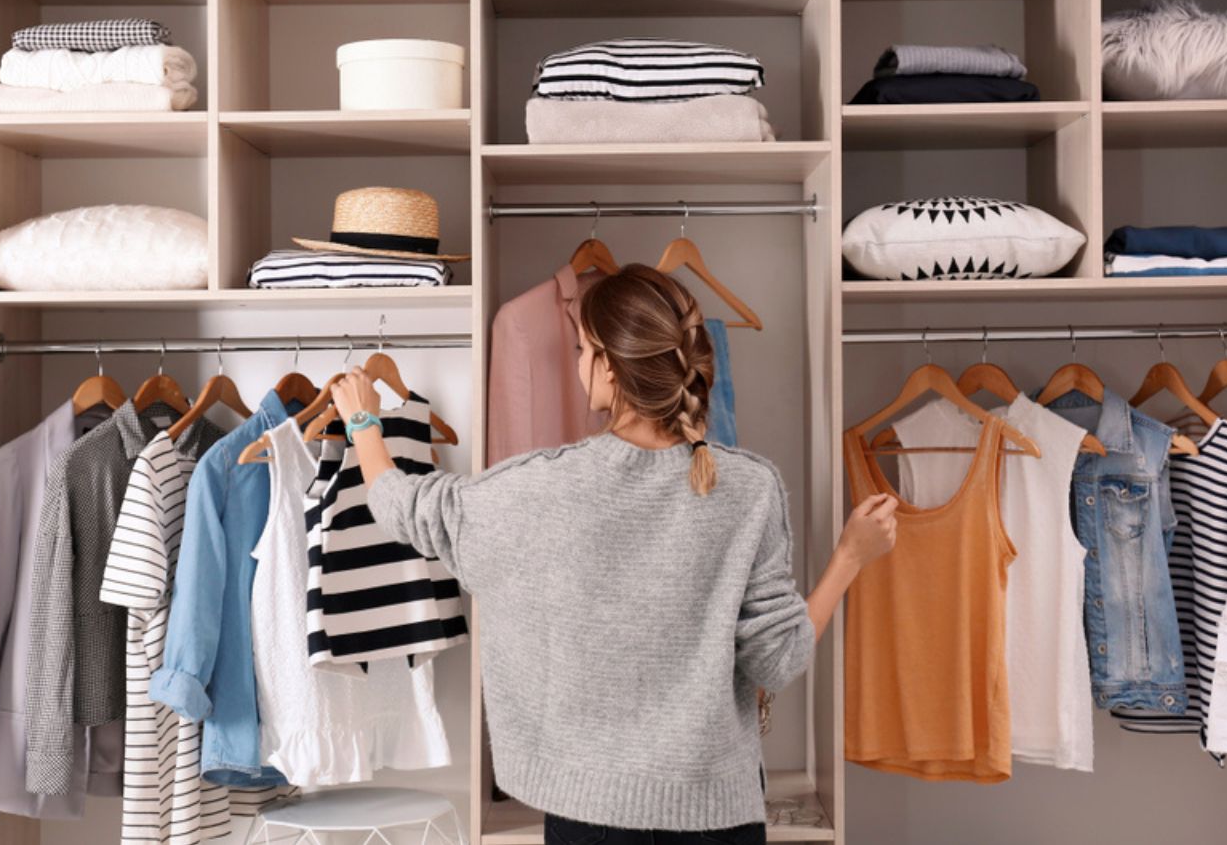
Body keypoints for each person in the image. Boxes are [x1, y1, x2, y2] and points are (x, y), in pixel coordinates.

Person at [330, 264, 897, 845]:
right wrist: (849, 557)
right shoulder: (750, 488)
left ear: (608, 365)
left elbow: (405, 507)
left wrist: (364, 423)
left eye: (582, 349)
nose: (578, 364)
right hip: (717, 815)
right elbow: (776, 661)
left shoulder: (542, 486)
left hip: (590, 816)